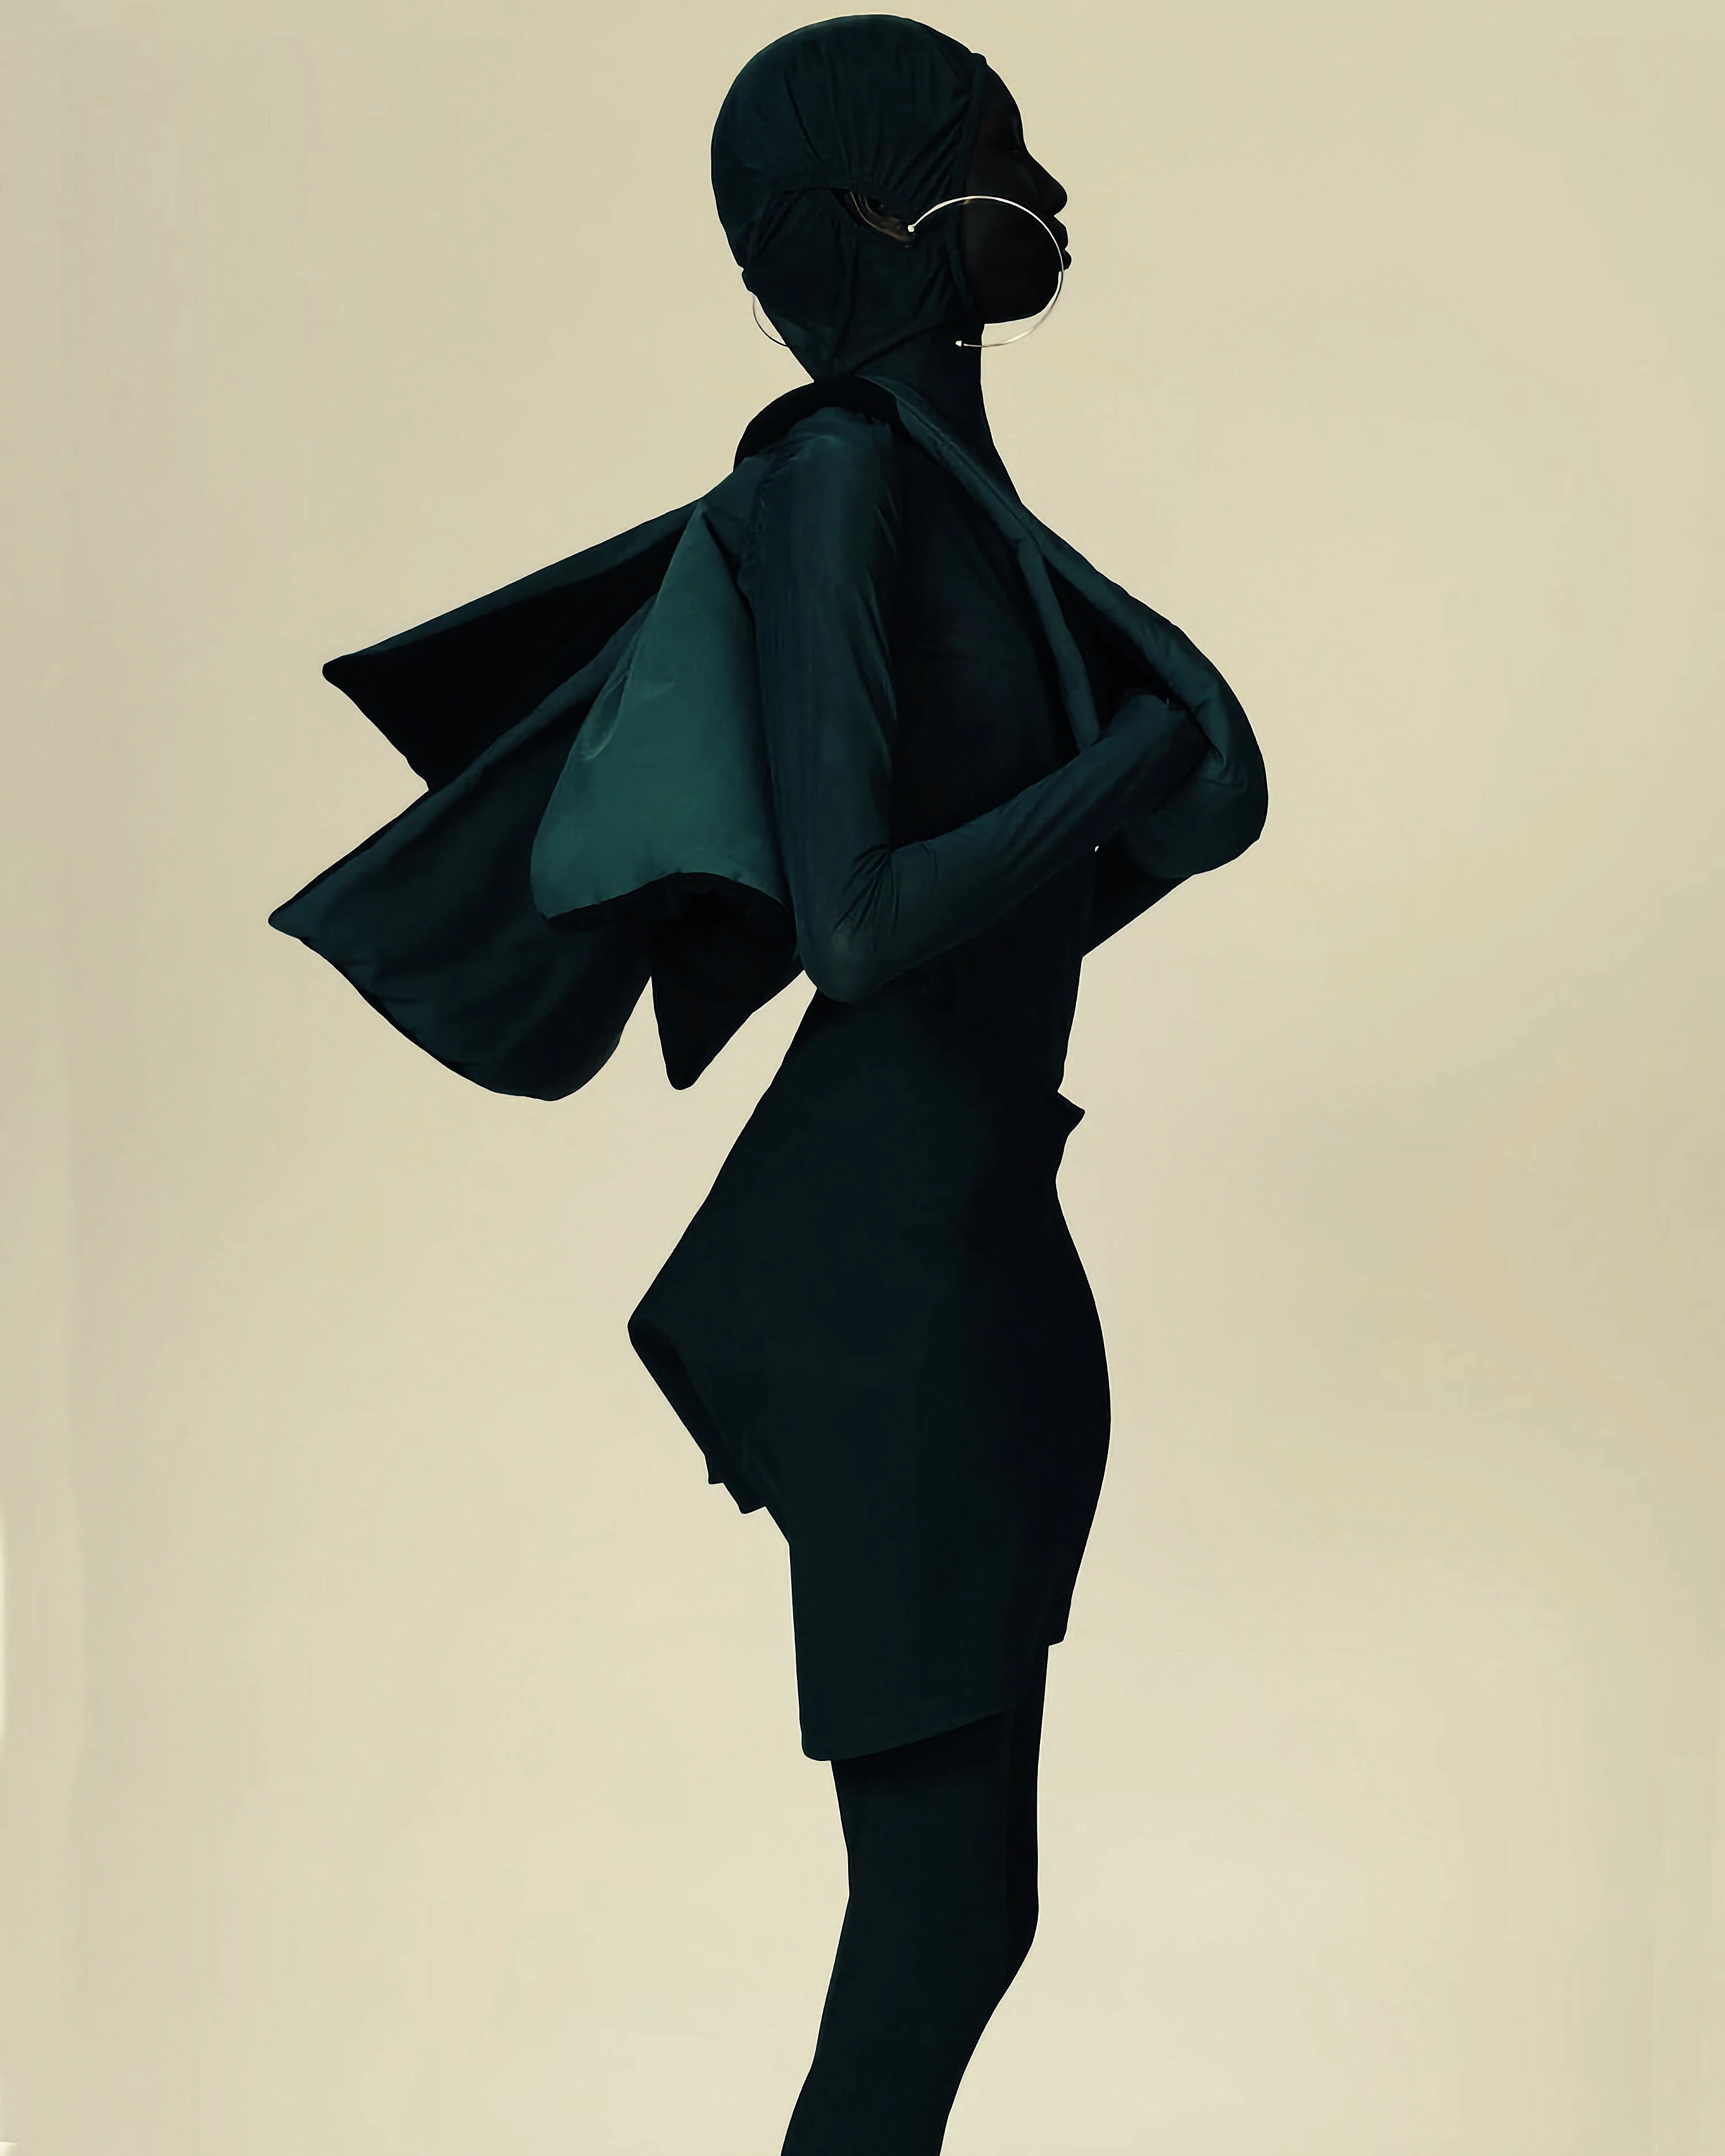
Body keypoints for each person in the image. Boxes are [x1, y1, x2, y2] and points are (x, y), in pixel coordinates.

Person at [270, 17, 1267, 2150]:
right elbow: (865, 927)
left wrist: (1151, 793)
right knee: (945, 1910)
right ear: (880, 218)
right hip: (889, 1270)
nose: (1053, 198)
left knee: (967, 1908)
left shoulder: (963, 509)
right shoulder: (830, 484)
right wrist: (1129, 760)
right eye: (1002, 156)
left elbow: (1099, 865)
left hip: (985, 1230)